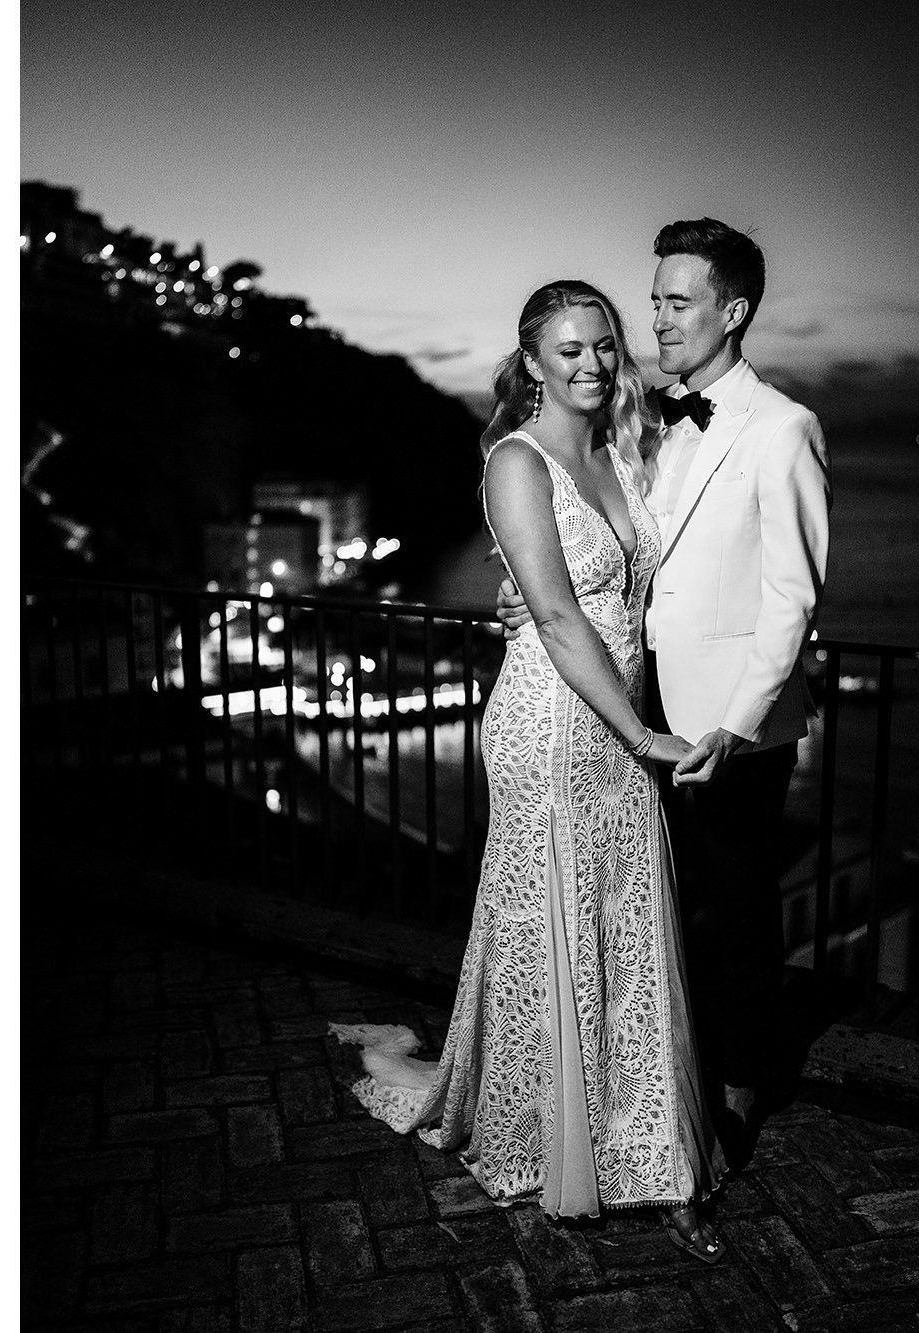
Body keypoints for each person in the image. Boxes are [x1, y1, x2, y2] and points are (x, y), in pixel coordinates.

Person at [336, 280, 728, 1262]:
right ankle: (549, 1135)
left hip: (614, 719)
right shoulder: (516, 460)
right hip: (551, 730)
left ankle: (640, 1143)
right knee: (550, 927)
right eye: (567, 351)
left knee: (623, 929)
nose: (590, 365)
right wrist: (643, 736)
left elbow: (621, 591)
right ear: (529, 362)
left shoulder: (611, 450)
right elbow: (553, 616)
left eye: (602, 346)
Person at [498, 221, 831, 1147]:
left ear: (734, 312)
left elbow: (792, 599)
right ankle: (665, 1076)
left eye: (676, 302)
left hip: (732, 727)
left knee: (735, 909)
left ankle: (742, 1084)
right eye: (653, 300)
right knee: (662, 912)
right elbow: (610, 549)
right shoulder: (644, 426)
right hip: (641, 719)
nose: (657, 319)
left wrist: (738, 721)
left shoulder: (783, 428)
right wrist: (526, 592)